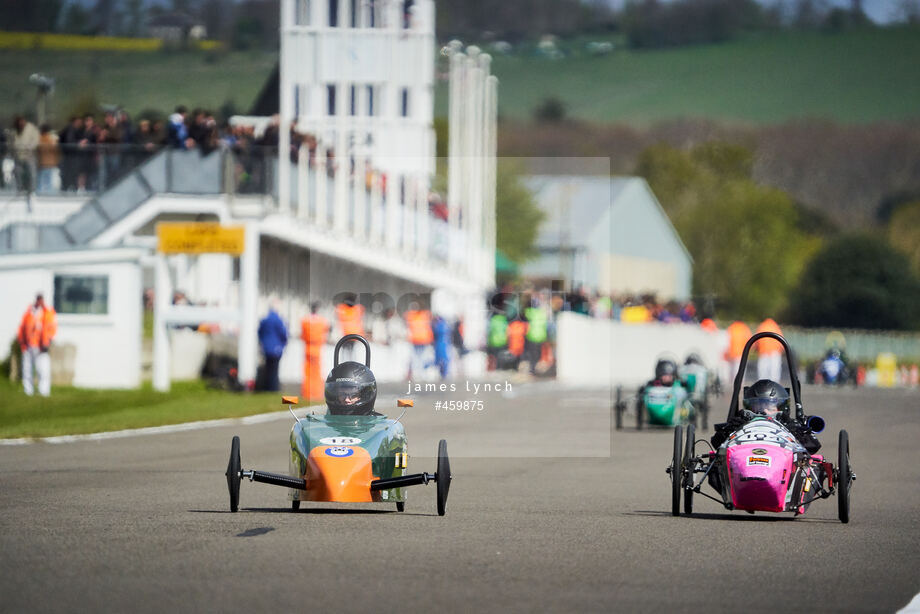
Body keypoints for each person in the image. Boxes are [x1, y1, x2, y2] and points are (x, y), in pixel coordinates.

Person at [711, 379, 821, 453]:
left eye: (770, 407)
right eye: (758, 407)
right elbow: (716, 442)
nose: (763, 411)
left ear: (782, 409)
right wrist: (730, 428)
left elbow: (813, 446)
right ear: (749, 408)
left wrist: (797, 431)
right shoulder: (740, 424)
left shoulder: (789, 426)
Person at [324, 339, 378, 416]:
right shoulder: (326, 421)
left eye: (353, 395)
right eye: (342, 394)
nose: (346, 400)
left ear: (363, 395)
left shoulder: (380, 425)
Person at [18, 293, 57, 396]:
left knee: (43, 369)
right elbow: (22, 327)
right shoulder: (29, 312)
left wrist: (47, 341)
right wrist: (22, 342)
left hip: (41, 346)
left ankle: (43, 391)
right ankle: (28, 390)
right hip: (29, 345)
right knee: (27, 369)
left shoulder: (47, 312)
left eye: (41, 300)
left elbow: (52, 328)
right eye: (38, 299)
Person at [300, 302, 329, 401]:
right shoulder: (322, 321)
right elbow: (325, 333)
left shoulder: (305, 321)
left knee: (307, 372)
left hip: (308, 348)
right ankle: (317, 394)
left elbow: (302, 335)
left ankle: (307, 393)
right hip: (317, 349)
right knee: (317, 373)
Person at [257, 304, 288, 392]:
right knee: (274, 370)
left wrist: (262, 342)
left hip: (266, 348)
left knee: (268, 368)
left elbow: (259, 332)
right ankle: (273, 389)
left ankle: (266, 388)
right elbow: (283, 334)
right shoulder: (278, 320)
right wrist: (283, 344)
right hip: (276, 349)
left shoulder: (265, 320)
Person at [405, 304, 434, 379]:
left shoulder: (419, 315)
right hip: (418, 340)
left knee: (421, 358)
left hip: (422, 340)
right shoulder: (417, 316)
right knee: (418, 358)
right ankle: (418, 373)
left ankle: (420, 373)